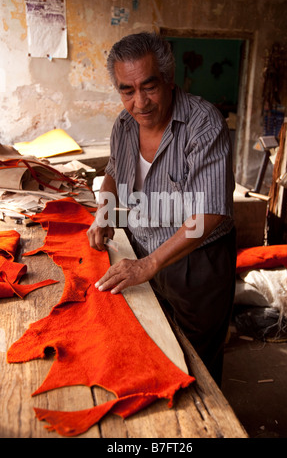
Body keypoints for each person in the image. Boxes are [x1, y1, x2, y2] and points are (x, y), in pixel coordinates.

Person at [87, 32, 236, 386]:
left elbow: (208, 213)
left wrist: (149, 265)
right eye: (127, 90)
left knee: (197, 365)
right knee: (151, 345)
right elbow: (112, 170)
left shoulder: (203, 123)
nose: (140, 102)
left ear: (169, 79)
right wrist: (104, 212)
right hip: (142, 251)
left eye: (149, 86)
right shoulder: (124, 126)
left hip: (198, 264)